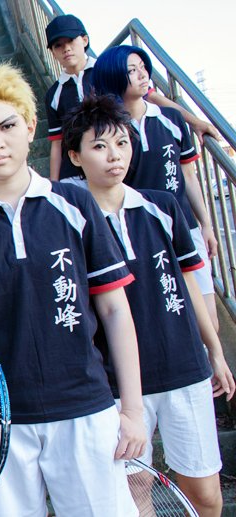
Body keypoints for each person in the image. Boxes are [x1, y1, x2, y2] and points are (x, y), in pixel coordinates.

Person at [0, 64, 146, 516]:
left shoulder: (74, 202)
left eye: (7, 127)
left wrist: (133, 410)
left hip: (85, 406)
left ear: (30, 127)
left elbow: (115, 310)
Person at [63, 93, 235, 517]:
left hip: (183, 368)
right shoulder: (67, 221)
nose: (114, 156)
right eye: (99, 146)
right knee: (135, 491)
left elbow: (189, 284)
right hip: (114, 382)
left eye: (122, 143)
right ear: (75, 156)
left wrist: (215, 352)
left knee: (205, 494)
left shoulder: (162, 206)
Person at [92, 45, 219, 332]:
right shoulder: (109, 133)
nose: (142, 74)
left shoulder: (171, 119)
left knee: (209, 320)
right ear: (113, 77)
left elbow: (188, 176)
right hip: (143, 233)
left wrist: (206, 225)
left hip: (186, 227)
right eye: (131, 70)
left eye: (143, 67)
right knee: (169, 317)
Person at [44, 14, 220, 182]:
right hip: (75, 174)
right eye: (58, 45)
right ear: (52, 52)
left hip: (115, 164)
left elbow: (152, 97)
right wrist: (54, 184)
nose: (66, 48)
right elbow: (57, 143)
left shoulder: (108, 72)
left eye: (71, 41)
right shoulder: (54, 94)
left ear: (84, 40)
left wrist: (195, 122)